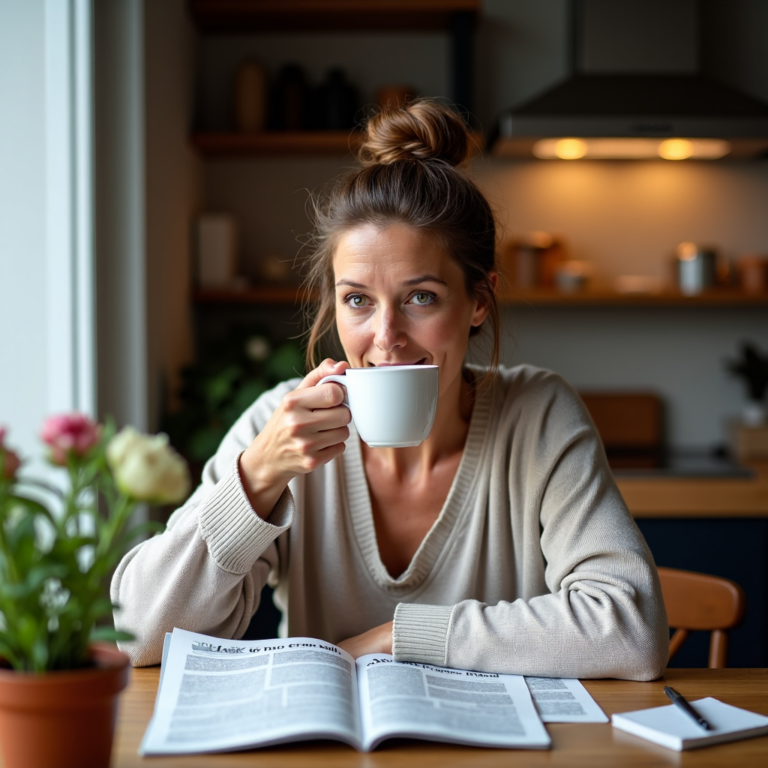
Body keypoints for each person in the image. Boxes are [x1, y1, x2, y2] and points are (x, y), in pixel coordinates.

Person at [112, 99, 668, 679]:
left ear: (479, 300)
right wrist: (257, 477)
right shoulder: (276, 429)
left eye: (420, 297)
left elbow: (631, 628)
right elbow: (139, 634)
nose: (385, 338)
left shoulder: (537, 416)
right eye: (357, 300)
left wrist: (395, 637)